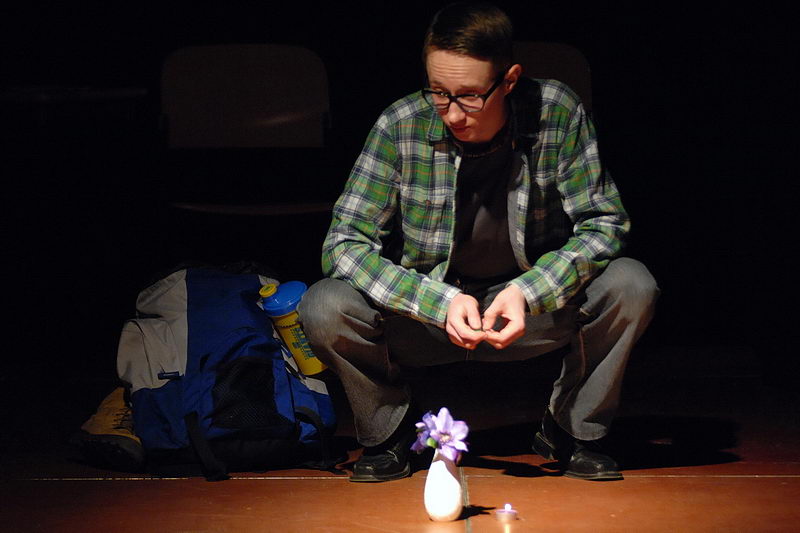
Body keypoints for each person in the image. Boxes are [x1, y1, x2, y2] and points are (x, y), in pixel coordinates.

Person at [298, 1, 658, 483]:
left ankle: (572, 429)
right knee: (324, 305)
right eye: (438, 92)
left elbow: (604, 223)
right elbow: (343, 243)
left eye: (469, 96)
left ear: (509, 80)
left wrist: (529, 291)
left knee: (631, 284)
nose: (451, 113)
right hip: (427, 316)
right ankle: (391, 430)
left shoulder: (556, 112)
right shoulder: (400, 124)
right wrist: (437, 301)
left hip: (527, 312)